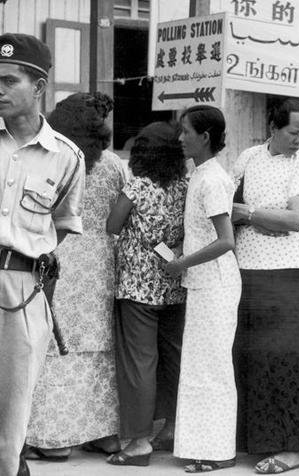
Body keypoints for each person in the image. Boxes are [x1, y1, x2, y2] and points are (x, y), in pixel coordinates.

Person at [0, 32, 85, 476]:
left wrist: (27, 259)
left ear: (39, 87)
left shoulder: (66, 158)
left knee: (12, 414)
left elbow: (64, 226)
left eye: (9, 80)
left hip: (21, 293)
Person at [25, 92, 125, 460]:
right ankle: (103, 434)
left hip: (60, 257)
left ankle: (55, 439)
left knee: (54, 345)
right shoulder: (113, 165)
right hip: (101, 263)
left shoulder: (55, 160)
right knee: (100, 349)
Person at [232, 98, 299, 474]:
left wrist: (252, 214)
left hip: (285, 273)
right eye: (294, 131)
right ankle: (261, 441)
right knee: (254, 360)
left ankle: (294, 446)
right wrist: (266, 218)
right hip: (245, 270)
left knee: (288, 360)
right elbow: (228, 209)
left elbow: (296, 219)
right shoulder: (248, 158)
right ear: (273, 126)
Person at [106, 122, 188, 466]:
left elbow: (112, 225)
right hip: (175, 284)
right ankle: (170, 428)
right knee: (173, 359)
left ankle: (139, 442)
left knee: (139, 364)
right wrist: (170, 254)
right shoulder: (186, 186)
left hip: (137, 287)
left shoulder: (137, 186)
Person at [167, 106, 241, 473]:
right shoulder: (201, 174)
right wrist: (184, 256)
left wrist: (182, 262)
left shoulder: (211, 179)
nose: (179, 138)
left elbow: (226, 240)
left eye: (185, 132)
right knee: (199, 367)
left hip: (216, 284)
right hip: (203, 282)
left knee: (212, 369)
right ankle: (203, 447)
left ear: (205, 137)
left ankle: (218, 450)